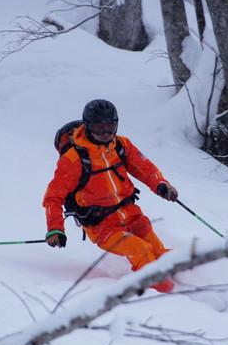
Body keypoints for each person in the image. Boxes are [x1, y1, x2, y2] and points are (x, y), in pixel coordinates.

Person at [43, 99, 179, 293]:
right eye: (100, 129)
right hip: (102, 226)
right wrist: (55, 229)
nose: (106, 134)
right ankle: (168, 298)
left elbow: (145, 169)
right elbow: (53, 197)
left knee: (161, 255)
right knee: (141, 250)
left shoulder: (121, 145)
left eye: (110, 127)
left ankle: (187, 284)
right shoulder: (73, 159)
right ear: (88, 127)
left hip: (132, 215)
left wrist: (161, 184)